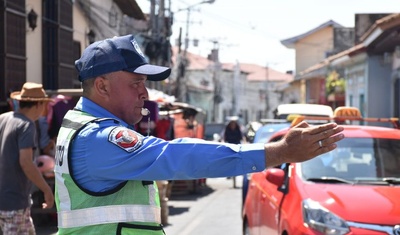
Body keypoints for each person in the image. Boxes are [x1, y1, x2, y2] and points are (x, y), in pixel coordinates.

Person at [54, 34, 344, 234]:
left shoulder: (81, 124)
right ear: (102, 86)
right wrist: (278, 152)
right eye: (136, 83)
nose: (144, 93)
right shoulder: (98, 138)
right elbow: (178, 156)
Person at [0, 82, 55, 234]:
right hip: (14, 202)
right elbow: (26, 163)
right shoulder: (26, 125)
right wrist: (46, 189)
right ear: (38, 104)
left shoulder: (3, 118)